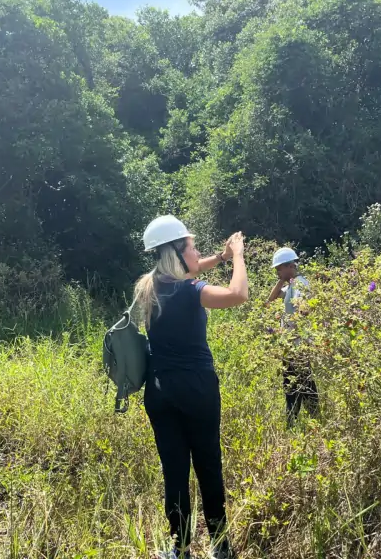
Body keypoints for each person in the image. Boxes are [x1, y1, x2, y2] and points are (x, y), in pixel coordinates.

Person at [134, 215, 248, 559]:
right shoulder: (192, 291)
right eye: (192, 246)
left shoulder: (147, 287)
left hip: (159, 392)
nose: (197, 252)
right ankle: (220, 545)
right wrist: (239, 255)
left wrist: (220, 257)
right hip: (197, 390)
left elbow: (191, 269)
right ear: (176, 253)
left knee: (175, 471)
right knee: (208, 465)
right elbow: (237, 294)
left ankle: (180, 548)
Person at [266, 247, 319, 428]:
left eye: (279, 269)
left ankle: (307, 422)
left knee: (302, 384)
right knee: (294, 384)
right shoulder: (291, 286)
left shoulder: (300, 284)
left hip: (298, 344)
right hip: (291, 345)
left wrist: (290, 329)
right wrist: (282, 280)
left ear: (289, 266)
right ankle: (299, 422)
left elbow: (304, 309)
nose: (277, 272)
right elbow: (270, 300)